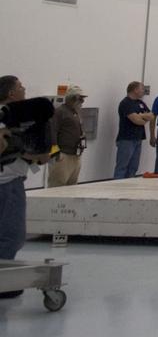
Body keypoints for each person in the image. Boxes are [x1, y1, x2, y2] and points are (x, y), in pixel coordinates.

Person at [1, 75, 53, 299]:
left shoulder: (21, 120)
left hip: (13, 181)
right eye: (21, 87)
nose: (24, 90)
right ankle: (4, 281)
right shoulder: (6, 119)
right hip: (6, 185)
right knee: (11, 235)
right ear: (11, 93)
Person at [48, 85, 88, 187]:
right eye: (81, 98)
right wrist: (55, 152)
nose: (83, 101)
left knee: (72, 186)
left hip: (75, 155)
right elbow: (52, 131)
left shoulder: (75, 112)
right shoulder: (60, 112)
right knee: (57, 186)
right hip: (63, 155)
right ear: (73, 98)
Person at [114, 80, 154, 179]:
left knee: (133, 167)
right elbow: (137, 121)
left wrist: (141, 115)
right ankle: (117, 188)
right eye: (142, 89)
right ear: (135, 90)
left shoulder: (140, 103)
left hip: (138, 138)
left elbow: (151, 116)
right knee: (122, 166)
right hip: (126, 139)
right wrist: (142, 118)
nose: (143, 91)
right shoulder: (126, 103)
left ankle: (129, 188)